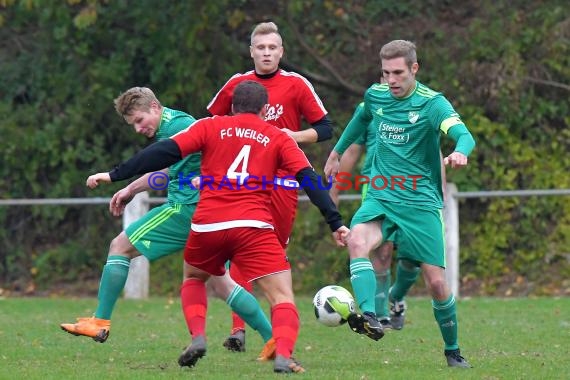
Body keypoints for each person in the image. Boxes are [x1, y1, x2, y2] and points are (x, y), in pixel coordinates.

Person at [83, 81, 349, 374]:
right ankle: (283, 353)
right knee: (281, 296)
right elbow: (309, 180)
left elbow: (162, 153)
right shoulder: (277, 137)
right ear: (264, 110)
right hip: (253, 225)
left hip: (208, 222)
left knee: (195, 278)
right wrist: (334, 221)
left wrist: (116, 174)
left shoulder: (210, 126)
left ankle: (198, 337)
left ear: (233, 107)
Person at [60, 87, 272, 352]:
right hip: (209, 211)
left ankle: (100, 321)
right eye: (132, 124)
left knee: (119, 247)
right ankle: (272, 339)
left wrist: (115, 176)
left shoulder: (178, 127)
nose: (138, 129)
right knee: (223, 284)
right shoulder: (176, 125)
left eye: (139, 120)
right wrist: (130, 190)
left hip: (185, 208)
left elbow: (158, 163)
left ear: (155, 108)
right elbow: (168, 171)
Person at [324, 40, 475, 368]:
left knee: (436, 283)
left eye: (397, 73)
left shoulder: (432, 104)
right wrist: (336, 152)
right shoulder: (375, 95)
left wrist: (461, 150)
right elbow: (359, 121)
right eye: (385, 72)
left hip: (420, 202)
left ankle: (452, 350)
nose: (390, 80)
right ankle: (369, 316)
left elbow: (463, 134)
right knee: (357, 241)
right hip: (381, 194)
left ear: (414, 69)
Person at [207, 21, 333, 355]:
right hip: (244, 182)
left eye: (272, 47)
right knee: (241, 252)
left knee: (272, 255)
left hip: (282, 182)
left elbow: (325, 128)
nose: (266, 53)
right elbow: (210, 124)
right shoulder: (237, 84)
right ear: (251, 51)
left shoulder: (296, 85)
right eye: (260, 47)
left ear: (281, 51)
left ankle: (276, 330)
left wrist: (293, 136)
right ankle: (238, 329)